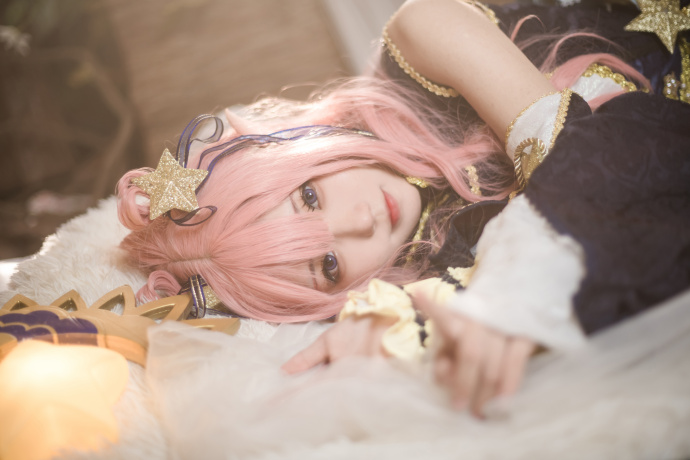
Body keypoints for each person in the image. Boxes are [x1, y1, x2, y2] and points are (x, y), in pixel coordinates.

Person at [116, 0, 690, 415]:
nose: (361, 221)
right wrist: (392, 327)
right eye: (330, 265)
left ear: (296, 150)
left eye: (310, 196)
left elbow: (605, 152)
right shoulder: (422, 266)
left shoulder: (420, 33)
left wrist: (515, 290)